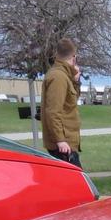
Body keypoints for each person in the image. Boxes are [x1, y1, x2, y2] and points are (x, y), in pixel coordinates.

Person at [42, 38, 82, 168]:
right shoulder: (58, 77)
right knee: (77, 185)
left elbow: (71, 102)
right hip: (63, 146)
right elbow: (53, 112)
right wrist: (60, 140)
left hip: (67, 142)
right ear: (74, 57)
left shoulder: (64, 76)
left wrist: (75, 80)